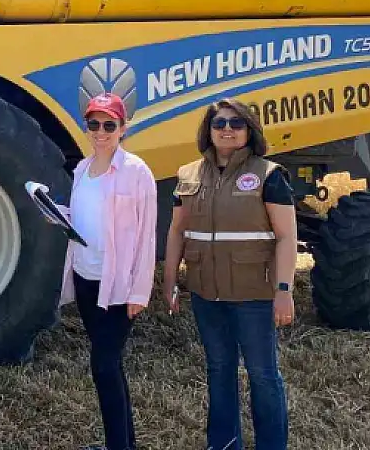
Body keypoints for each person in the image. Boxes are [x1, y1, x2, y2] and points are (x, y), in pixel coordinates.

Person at [162, 99, 297, 450]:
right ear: (208, 130)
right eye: (219, 123)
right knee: (219, 371)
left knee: (262, 375)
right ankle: (223, 444)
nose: (227, 129)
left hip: (254, 296)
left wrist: (284, 290)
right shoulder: (188, 175)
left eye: (236, 123)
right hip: (206, 295)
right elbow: (177, 231)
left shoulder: (269, 175)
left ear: (249, 130)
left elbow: (286, 236)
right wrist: (169, 280)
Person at [55, 92, 158, 450]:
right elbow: (84, 217)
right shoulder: (82, 170)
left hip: (117, 285)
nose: (100, 132)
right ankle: (124, 443)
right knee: (110, 365)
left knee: (103, 365)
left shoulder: (136, 172)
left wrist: (139, 292)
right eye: (94, 124)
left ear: (122, 128)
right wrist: (55, 212)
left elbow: (146, 236)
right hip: (85, 278)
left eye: (109, 125)